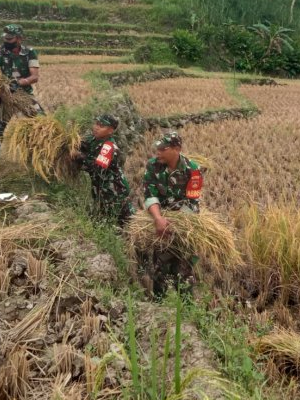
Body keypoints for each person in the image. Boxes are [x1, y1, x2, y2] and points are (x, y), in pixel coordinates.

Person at [141, 131, 203, 296]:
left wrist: (176, 224)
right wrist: (158, 219)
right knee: (159, 271)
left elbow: (193, 203)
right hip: (160, 222)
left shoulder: (193, 170)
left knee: (185, 273)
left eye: (163, 149)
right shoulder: (153, 166)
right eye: (157, 149)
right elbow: (149, 195)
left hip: (184, 223)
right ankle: (159, 308)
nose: (158, 152)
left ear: (177, 149)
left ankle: (187, 311)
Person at [0, 24, 43, 181]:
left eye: (10, 39)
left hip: (23, 95)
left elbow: (34, 76)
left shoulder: (29, 53)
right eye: (5, 38)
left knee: (42, 123)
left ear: (19, 38)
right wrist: (1, 87)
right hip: (2, 98)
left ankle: (42, 162)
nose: (7, 41)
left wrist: (20, 82)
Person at [71, 114, 134, 226]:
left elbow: (97, 167)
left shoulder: (109, 147)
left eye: (101, 125)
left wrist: (80, 156)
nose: (96, 127)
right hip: (101, 191)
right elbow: (80, 144)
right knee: (103, 221)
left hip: (114, 194)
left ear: (110, 130)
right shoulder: (93, 139)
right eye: (96, 123)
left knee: (124, 224)